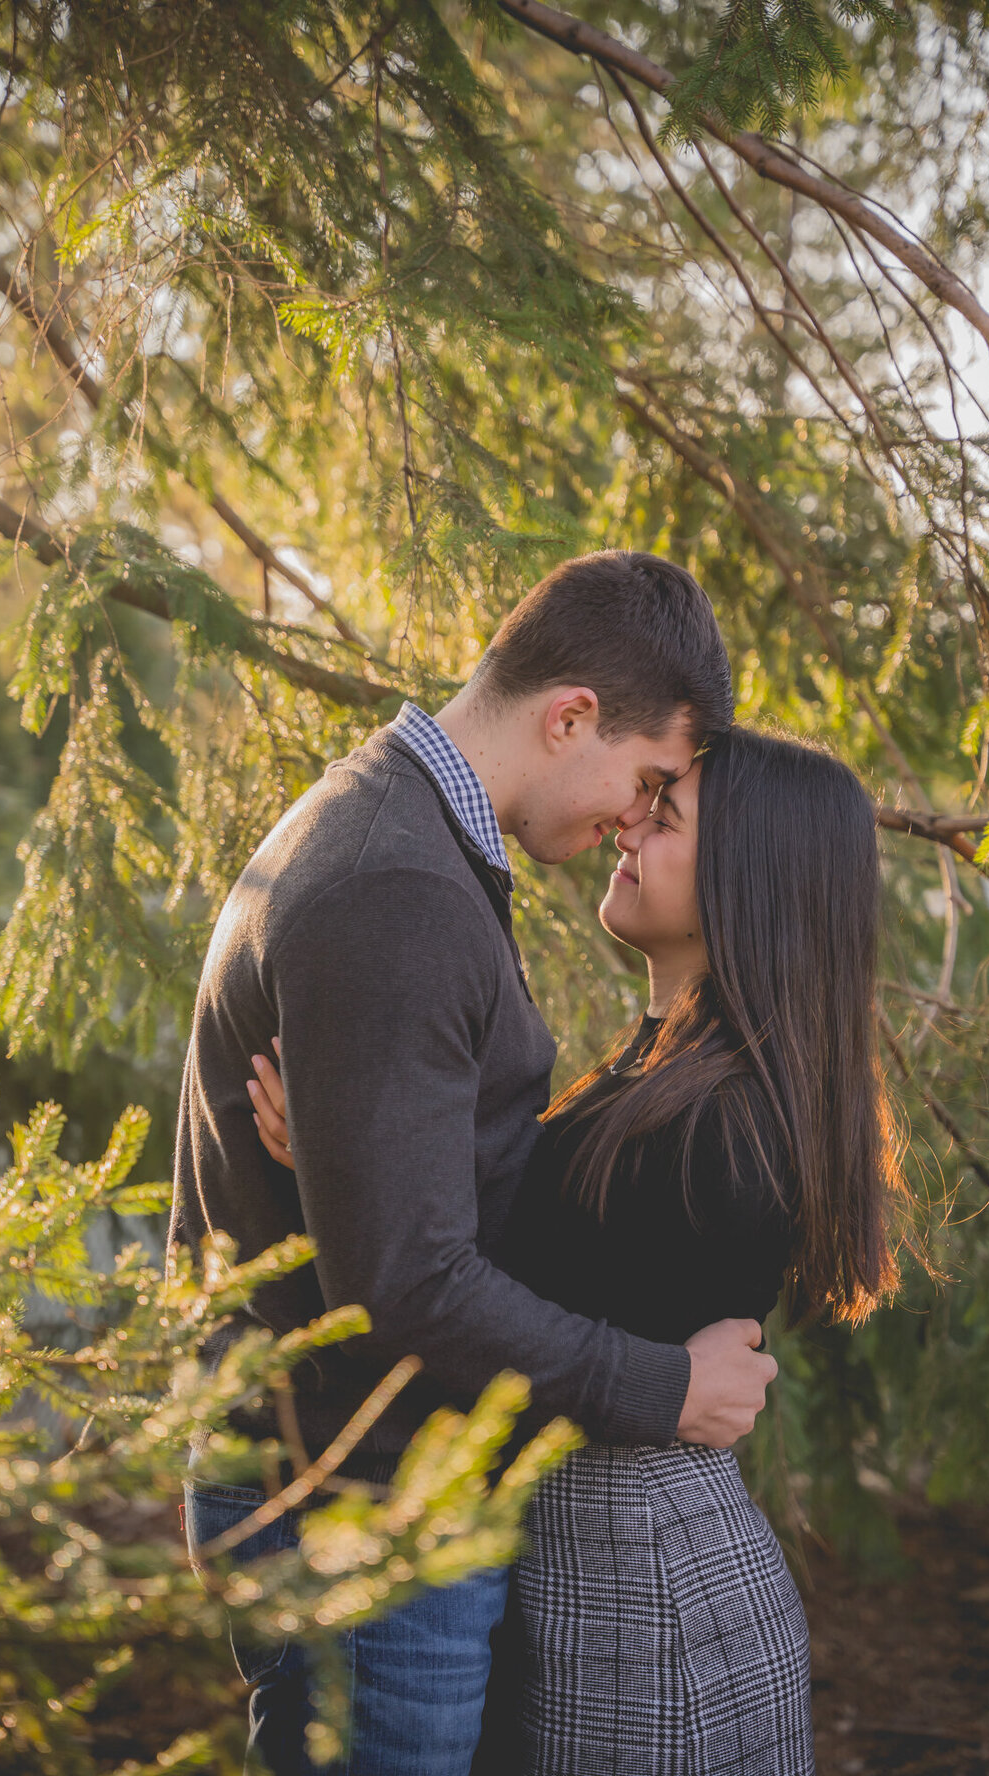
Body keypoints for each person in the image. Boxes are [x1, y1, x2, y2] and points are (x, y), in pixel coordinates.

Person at [168, 551, 778, 1776]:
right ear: (570, 718)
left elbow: (407, 1223)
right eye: (647, 777)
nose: (633, 818)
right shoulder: (397, 884)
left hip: (350, 1480)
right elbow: (410, 1286)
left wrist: (359, 1158)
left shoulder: (390, 829)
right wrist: (663, 1384)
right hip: (361, 1501)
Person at [251, 727, 907, 1775]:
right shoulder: (659, 1076)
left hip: (643, 1596)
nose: (627, 822)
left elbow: (486, 1291)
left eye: (666, 813)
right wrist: (357, 1155)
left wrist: (360, 1162)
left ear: (752, 878)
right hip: (596, 1563)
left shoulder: (728, 1125)